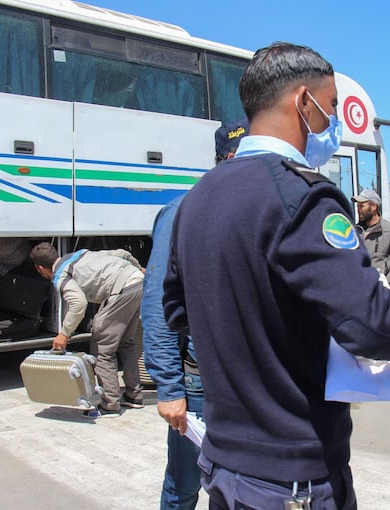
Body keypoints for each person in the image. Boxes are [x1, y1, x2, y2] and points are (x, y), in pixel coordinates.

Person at [162, 42, 390, 509]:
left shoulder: (196, 200)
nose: (331, 123)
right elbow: (370, 323)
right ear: (304, 103)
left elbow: (177, 310)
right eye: (330, 108)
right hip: (292, 478)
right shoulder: (302, 195)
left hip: (225, 466)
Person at [142, 117, 248, 510]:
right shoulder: (185, 211)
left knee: (241, 491)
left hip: (249, 383)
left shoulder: (258, 210)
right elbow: (158, 305)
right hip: (202, 386)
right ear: (231, 157)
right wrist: (170, 389)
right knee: (185, 485)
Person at [30, 243, 144, 417]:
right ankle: (133, 395)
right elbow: (121, 253)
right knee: (125, 343)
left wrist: (64, 334)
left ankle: (110, 403)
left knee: (102, 346)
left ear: (40, 268)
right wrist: (138, 269)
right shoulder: (79, 255)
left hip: (121, 290)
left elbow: (78, 304)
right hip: (138, 283)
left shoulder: (60, 277)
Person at [351, 189, 390, 297]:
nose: (358, 210)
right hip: (359, 287)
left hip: (383, 288)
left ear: (374, 207)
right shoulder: (353, 230)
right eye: (357, 206)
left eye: (362, 206)